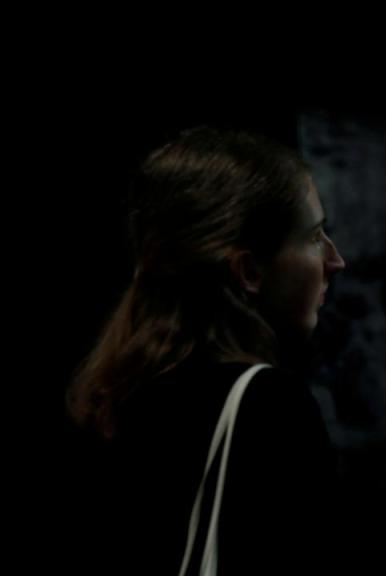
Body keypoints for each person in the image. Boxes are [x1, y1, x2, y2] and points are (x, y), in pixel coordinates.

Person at [67, 127, 346, 574]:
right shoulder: (269, 404)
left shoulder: (109, 398)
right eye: (314, 237)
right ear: (249, 271)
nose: (335, 260)